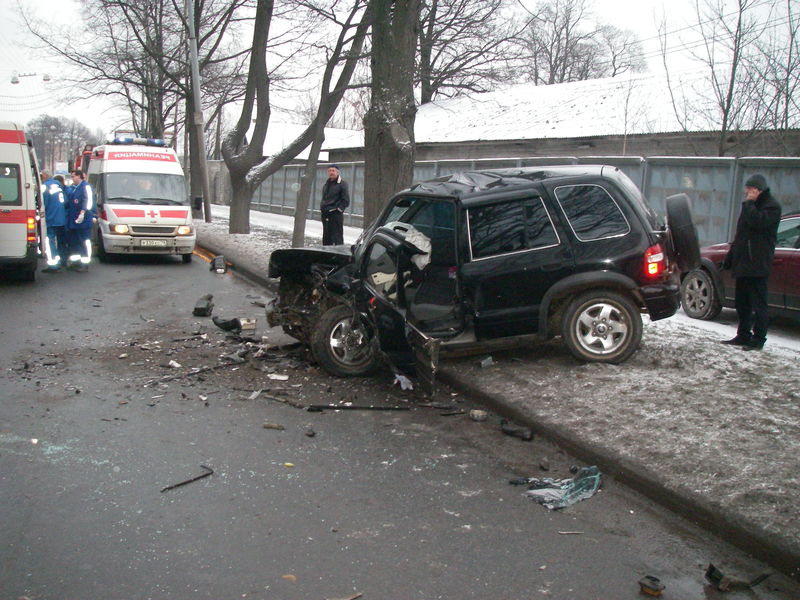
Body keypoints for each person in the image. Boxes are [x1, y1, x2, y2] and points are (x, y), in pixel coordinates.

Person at [721, 173, 782, 350]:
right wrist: (730, 257)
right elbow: (741, 235)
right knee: (742, 302)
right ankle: (743, 334)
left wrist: (749, 204)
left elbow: (758, 223)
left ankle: (759, 338)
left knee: (759, 303)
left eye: (749, 189)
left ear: (757, 190)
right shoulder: (750, 207)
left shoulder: (771, 207)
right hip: (743, 263)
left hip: (757, 264)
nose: (746, 193)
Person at [65, 169, 95, 272]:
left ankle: (85, 263)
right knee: (75, 242)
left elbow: (88, 201)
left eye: (73, 176)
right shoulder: (74, 188)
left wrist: (83, 212)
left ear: (79, 176)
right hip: (74, 220)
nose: (72, 178)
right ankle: (76, 261)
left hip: (84, 221)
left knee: (84, 241)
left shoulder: (85, 186)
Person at [40, 171, 68, 272]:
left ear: (45, 176)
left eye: (41, 176)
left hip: (51, 217)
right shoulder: (58, 185)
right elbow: (65, 200)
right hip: (61, 217)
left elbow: (43, 203)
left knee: (50, 241)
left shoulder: (45, 186)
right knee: (61, 240)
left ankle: (53, 265)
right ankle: (63, 260)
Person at [320, 165, 349, 246]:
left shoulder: (342, 184)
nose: (331, 172)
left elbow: (346, 200)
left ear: (337, 172)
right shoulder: (326, 184)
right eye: (329, 171)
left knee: (337, 237)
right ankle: (326, 252)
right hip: (325, 214)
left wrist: (338, 210)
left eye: (333, 170)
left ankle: (338, 252)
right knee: (326, 237)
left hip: (335, 215)